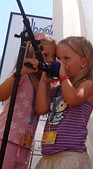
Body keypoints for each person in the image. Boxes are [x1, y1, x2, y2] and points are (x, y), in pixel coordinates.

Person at [34, 36, 93, 169]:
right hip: (48, 156)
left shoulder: (87, 85)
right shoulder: (57, 90)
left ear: (84, 62)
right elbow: (41, 109)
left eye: (66, 58)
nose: (61, 63)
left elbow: (72, 99)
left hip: (70, 156)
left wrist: (63, 76)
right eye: (58, 59)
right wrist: (44, 82)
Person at [0, 33, 56, 169]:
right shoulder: (22, 74)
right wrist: (20, 72)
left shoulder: (45, 83)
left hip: (26, 147)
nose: (50, 60)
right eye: (45, 55)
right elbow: (1, 95)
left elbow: (41, 110)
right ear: (32, 52)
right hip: (7, 140)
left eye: (54, 57)